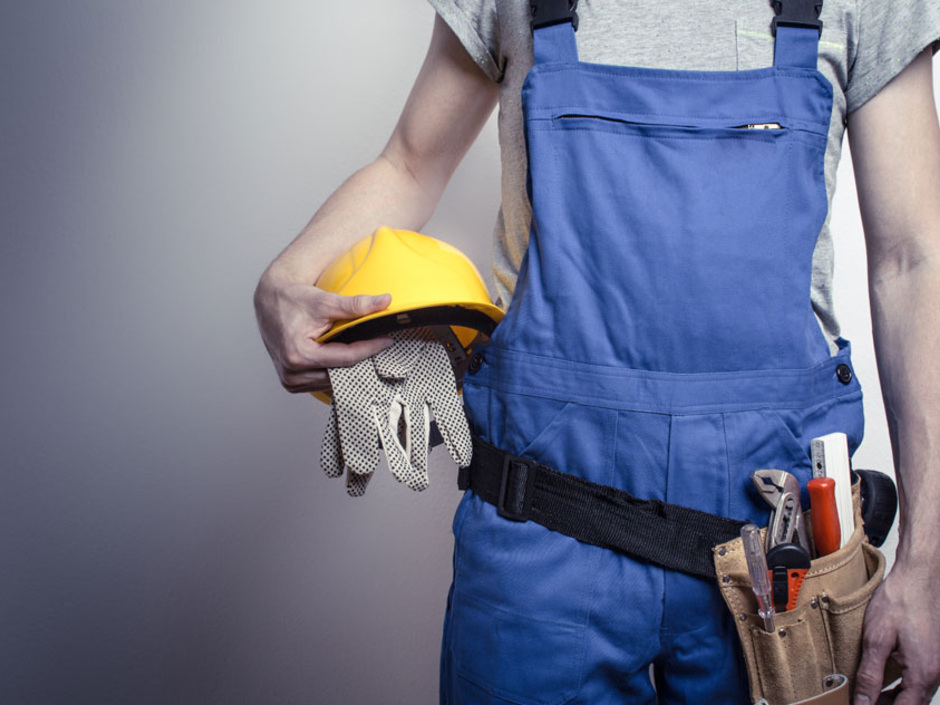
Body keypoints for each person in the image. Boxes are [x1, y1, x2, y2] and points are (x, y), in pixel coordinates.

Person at [255, 1, 940, 703]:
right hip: (542, 533)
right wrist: (287, 277)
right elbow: (409, 162)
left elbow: (913, 258)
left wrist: (928, 557)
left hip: (773, 562)